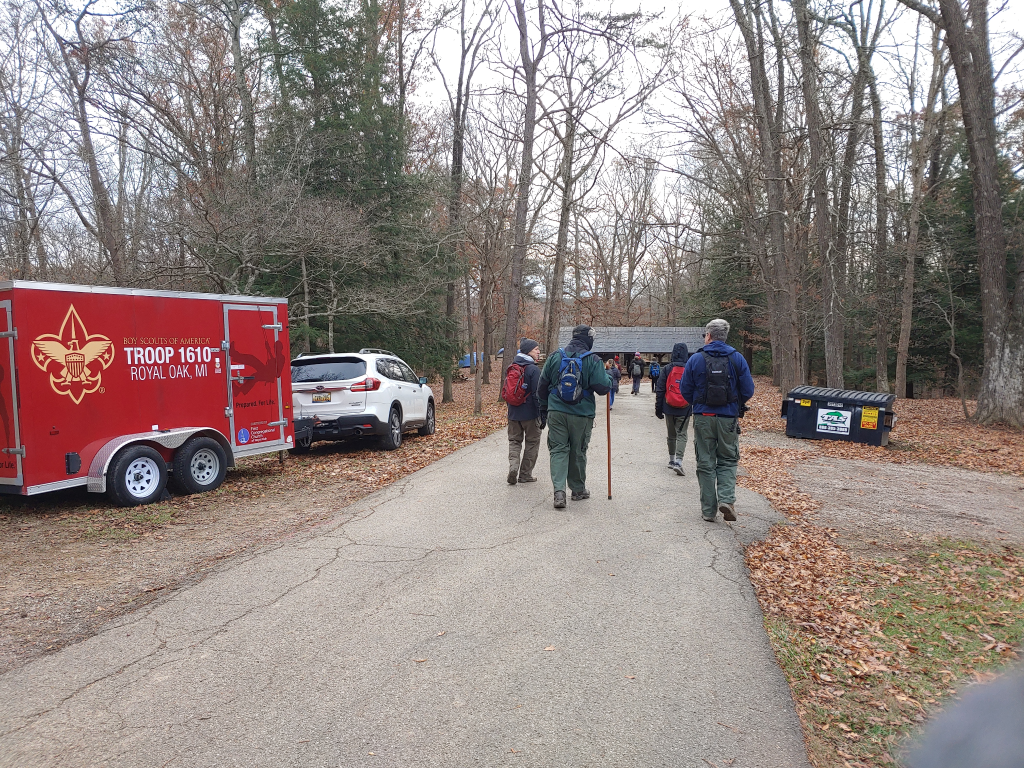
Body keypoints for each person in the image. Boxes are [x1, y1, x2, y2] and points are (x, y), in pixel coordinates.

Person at [680, 319, 754, 523]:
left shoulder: (696, 359)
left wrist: (698, 403)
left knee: (705, 462)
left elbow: (685, 389)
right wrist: (734, 404)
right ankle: (727, 500)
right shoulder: (737, 358)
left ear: (709, 336)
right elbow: (748, 390)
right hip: (728, 418)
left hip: (703, 417)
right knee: (728, 459)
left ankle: (708, 510)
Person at [538, 325, 611, 509]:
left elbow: (542, 385)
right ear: (588, 339)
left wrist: (544, 409)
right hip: (582, 414)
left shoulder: (555, 356)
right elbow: (603, 388)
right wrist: (609, 378)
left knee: (558, 450)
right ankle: (578, 490)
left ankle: (559, 492)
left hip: (556, 412)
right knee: (578, 450)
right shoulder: (593, 359)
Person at [504, 338, 543, 485]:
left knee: (514, 441)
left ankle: (513, 467)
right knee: (532, 443)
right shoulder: (533, 369)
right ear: (528, 351)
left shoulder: (512, 367)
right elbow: (537, 394)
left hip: (513, 413)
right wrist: (542, 414)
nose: (538, 351)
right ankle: (525, 474)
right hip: (530, 414)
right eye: (536, 349)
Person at [655, 343, 691, 476]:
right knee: (682, 434)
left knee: (671, 435)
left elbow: (660, 389)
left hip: (669, 405)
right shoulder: (689, 368)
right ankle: (679, 461)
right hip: (685, 407)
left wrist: (658, 408)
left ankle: (671, 460)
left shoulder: (667, 369)